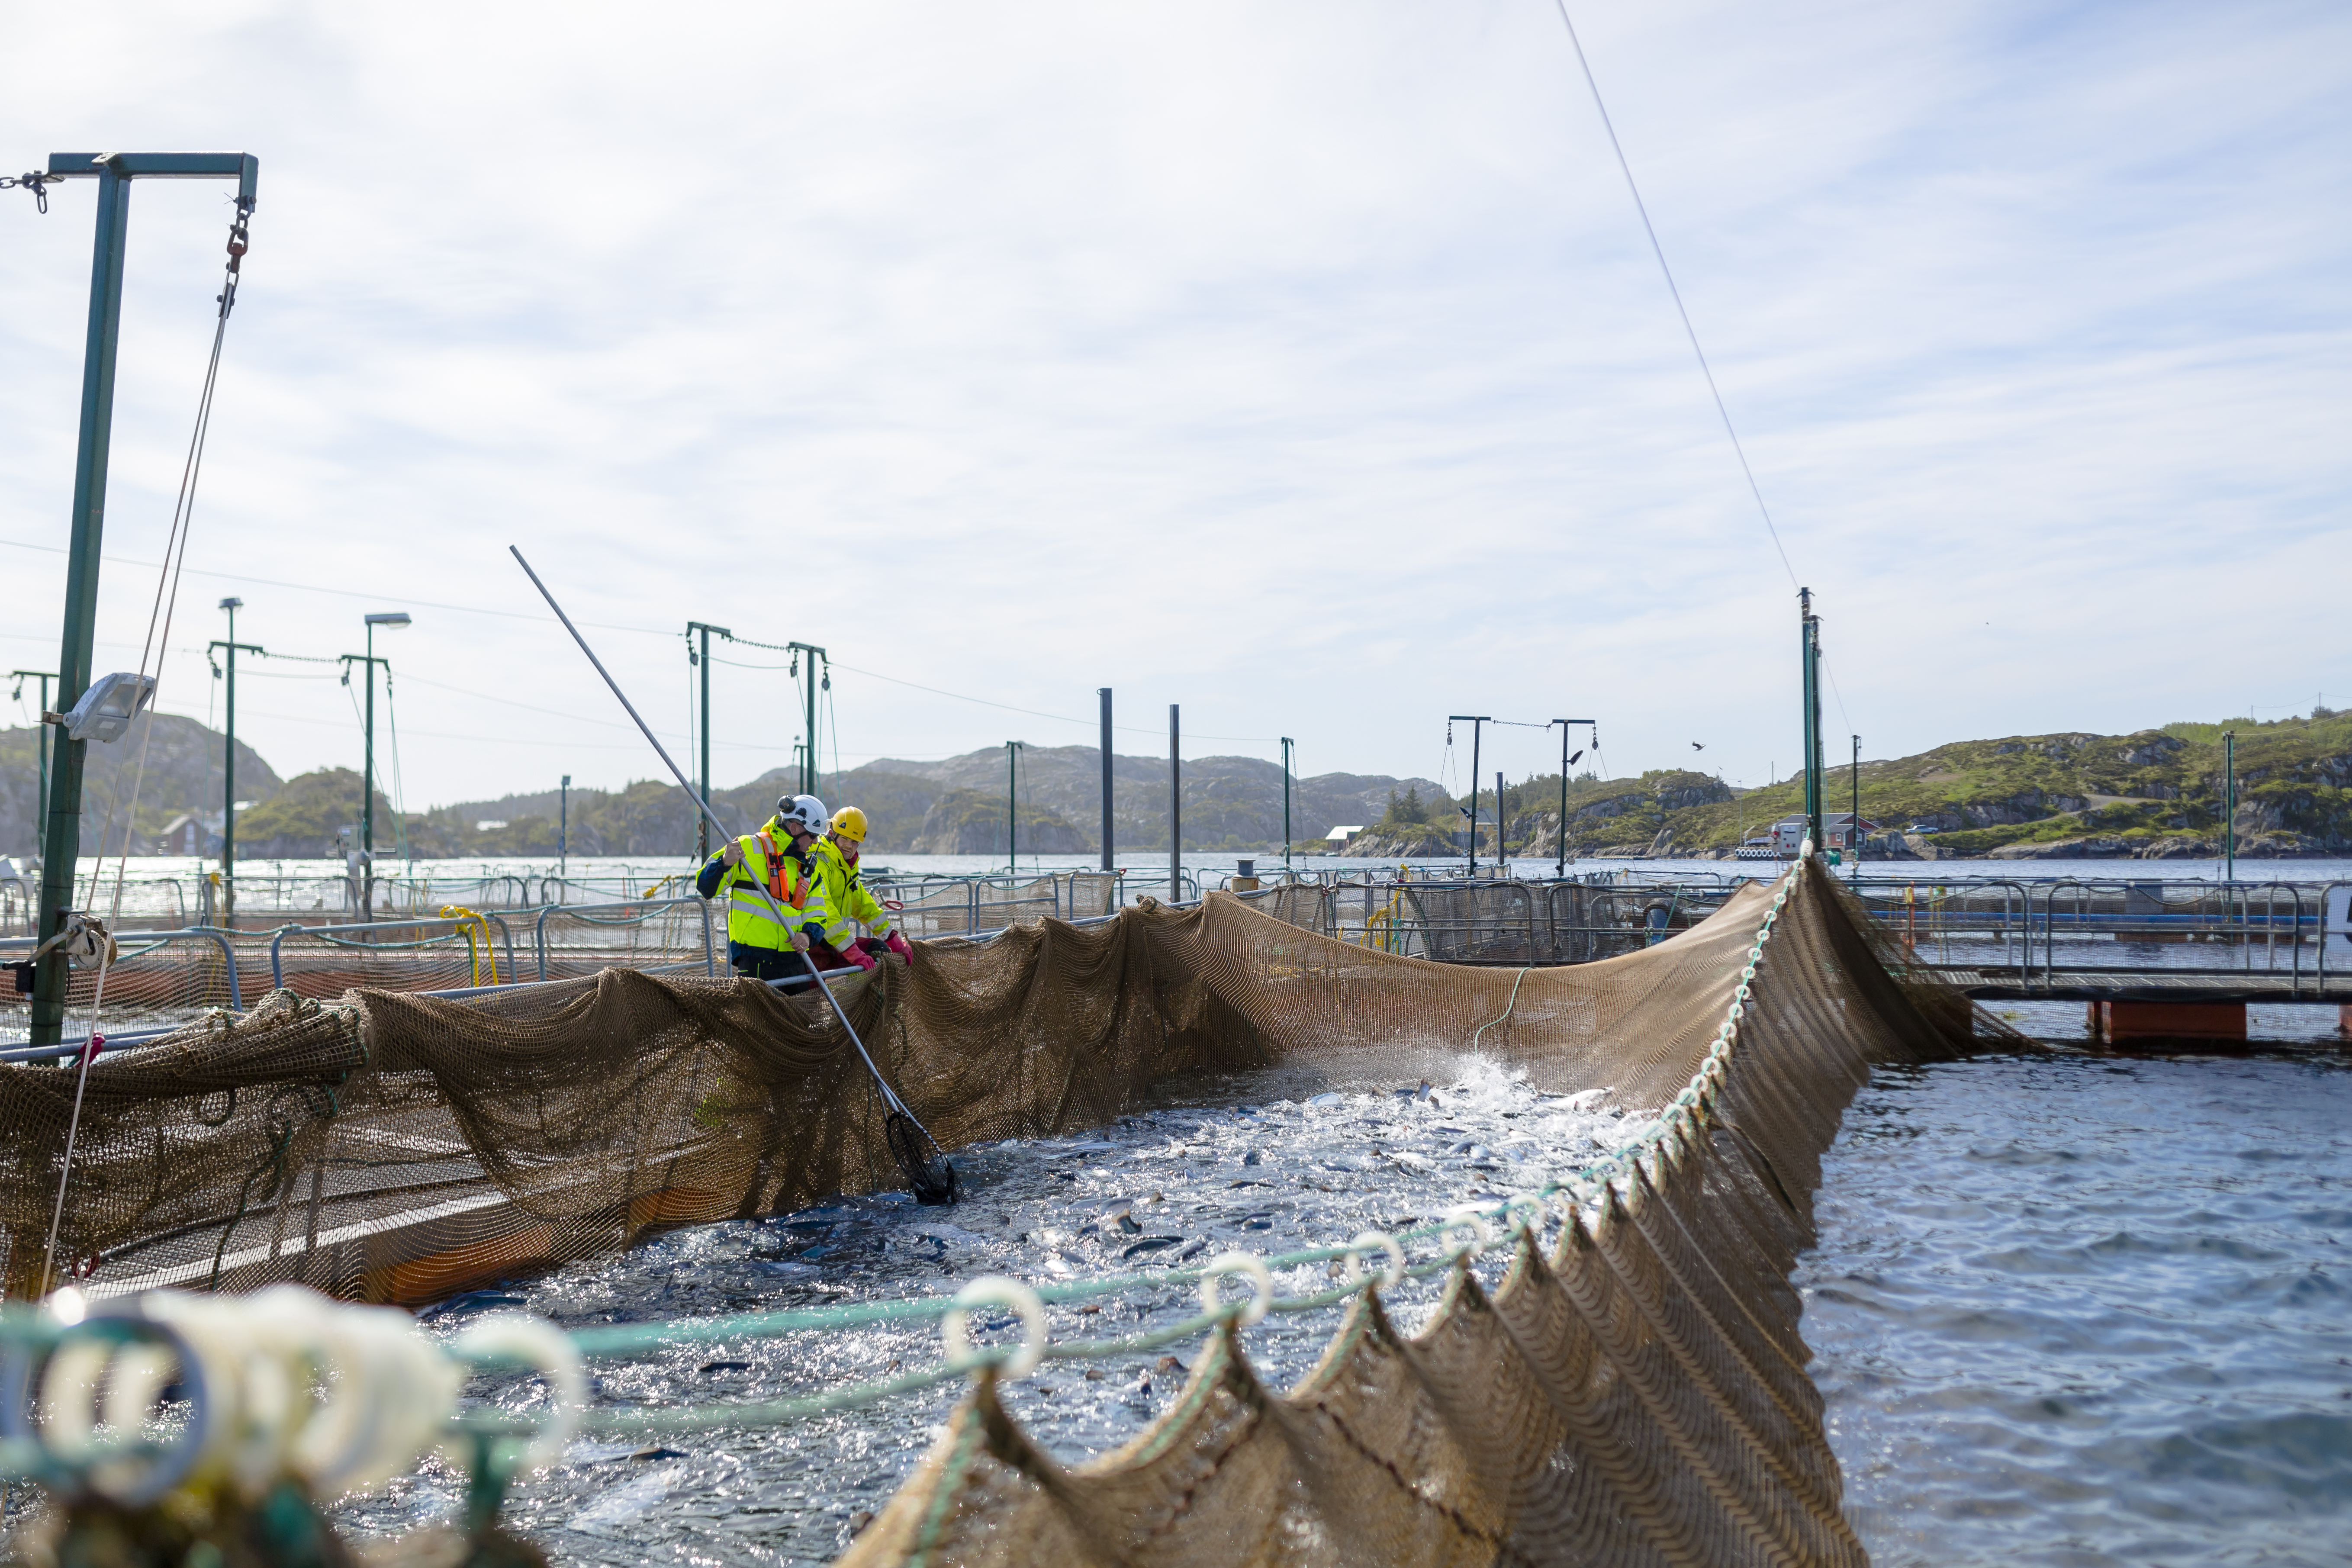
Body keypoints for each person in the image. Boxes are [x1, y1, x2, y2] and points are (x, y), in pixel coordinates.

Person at [695, 793, 834, 981]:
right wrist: (724, 863)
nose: (816, 842)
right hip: (755, 963)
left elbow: (818, 913)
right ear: (794, 828)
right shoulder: (746, 849)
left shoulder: (809, 870)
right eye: (813, 836)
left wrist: (808, 935)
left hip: (795, 961)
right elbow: (705, 887)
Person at [806, 805, 915, 972]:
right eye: (844, 839)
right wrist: (854, 953)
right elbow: (825, 912)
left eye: (854, 842)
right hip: (811, 946)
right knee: (810, 995)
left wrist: (893, 939)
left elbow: (864, 905)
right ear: (832, 833)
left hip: (833, 945)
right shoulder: (819, 862)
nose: (849, 846)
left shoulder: (847, 868)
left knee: (878, 950)